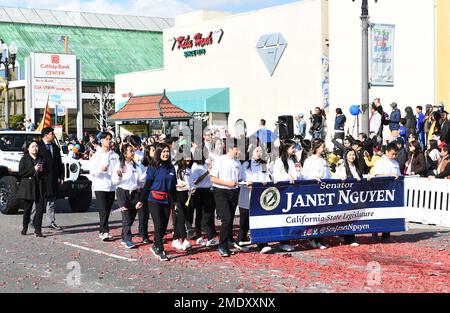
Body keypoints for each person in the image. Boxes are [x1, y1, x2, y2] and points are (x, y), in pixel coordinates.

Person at [137, 143, 177, 261]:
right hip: (153, 199)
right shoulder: (153, 167)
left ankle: (155, 244)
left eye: (167, 152)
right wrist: (141, 200)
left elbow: (173, 186)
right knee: (158, 224)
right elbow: (147, 185)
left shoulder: (171, 167)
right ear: (158, 153)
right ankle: (160, 249)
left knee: (164, 226)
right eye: (163, 152)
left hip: (166, 199)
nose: (165, 154)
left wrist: (175, 203)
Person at [237, 145, 273, 254]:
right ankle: (240, 241)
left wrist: (265, 183)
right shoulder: (245, 165)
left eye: (260, 151)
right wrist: (247, 183)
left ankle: (262, 244)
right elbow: (241, 179)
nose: (259, 153)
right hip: (246, 197)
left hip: (259, 197)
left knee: (259, 221)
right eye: (257, 151)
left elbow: (267, 178)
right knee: (245, 222)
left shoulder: (263, 164)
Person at [210, 138, 243, 257]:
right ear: (230, 148)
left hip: (234, 192)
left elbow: (240, 178)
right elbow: (213, 178)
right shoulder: (220, 160)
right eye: (237, 148)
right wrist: (227, 183)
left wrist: (245, 182)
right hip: (221, 191)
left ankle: (228, 243)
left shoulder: (238, 162)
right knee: (227, 219)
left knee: (231, 218)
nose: (239, 151)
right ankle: (222, 246)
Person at [112, 144, 145, 249]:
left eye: (133, 151)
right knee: (126, 216)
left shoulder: (136, 166)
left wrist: (141, 186)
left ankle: (123, 235)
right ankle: (128, 239)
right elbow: (115, 181)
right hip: (123, 192)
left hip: (134, 193)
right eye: (130, 151)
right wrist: (119, 176)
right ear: (125, 153)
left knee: (131, 216)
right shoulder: (120, 165)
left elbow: (140, 180)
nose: (132, 153)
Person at [302, 138, 331, 249]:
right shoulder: (309, 160)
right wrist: (314, 179)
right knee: (314, 217)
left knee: (323, 217)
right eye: (322, 147)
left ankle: (320, 239)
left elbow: (328, 175)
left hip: (323, 192)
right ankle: (311, 237)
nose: (324, 149)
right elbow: (305, 176)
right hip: (313, 191)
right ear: (317, 148)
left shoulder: (324, 161)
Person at [90, 132, 120, 241]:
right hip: (100, 186)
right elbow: (92, 171)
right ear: (101, 141)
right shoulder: (96, 155)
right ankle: (104, 231)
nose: (108, 141)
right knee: (103, 209)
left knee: (107, 209)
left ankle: (103, 230)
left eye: (110, 139)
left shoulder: (115, 156)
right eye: (106, 139)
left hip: (111, 186)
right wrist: (100, 170)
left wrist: (119, 174)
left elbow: (117, 171)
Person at [371, 142, 401, 242]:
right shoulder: (380, 162)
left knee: (389, 213)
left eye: (395, 154)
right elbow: (376, 175)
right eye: (392, 154)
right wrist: (389, 175)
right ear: (387, 152)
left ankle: (386, 235)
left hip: (392, 192)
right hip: (381, 191)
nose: (394, 156)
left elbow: (399, 176)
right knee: (378, 213)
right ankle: (374, 234)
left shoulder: (395, 163)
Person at [37, 127, 64, 231]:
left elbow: (59, 163)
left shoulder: (55, 147)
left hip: (52, 179)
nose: (54, 135)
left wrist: (61, 176)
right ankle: (32, 220)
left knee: (51, 201)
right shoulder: (37, 146)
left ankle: (51, 222)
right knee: (38, 202)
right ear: (46, 135)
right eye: (52, 133)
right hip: (41, 178)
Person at [17, 140, 46, 237]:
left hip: (39, 186)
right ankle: (25, 227)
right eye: (33, 146)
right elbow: (21, 173)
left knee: (40, 209)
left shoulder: (41, 158)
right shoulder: (24, 159)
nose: (35, 148)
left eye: (36, 146)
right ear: (28, 148)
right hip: (28, 187)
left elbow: (47, 171)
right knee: (27, 209)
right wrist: (33, 169)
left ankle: (38, 230)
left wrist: (42, 170)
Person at [190, 148, 218, 248]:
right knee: (200, 214)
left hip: (208, 190)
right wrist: (207, 172)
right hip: (199, 191)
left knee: (208, 214)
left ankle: (209, 236)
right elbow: (195, 181)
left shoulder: (206, 164)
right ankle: (200, 235)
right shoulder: (195, 166)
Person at [335, 148, 362, 246]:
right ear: (346, 156)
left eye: (353, 155)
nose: (352, 157)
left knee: (353, 217)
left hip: (355, 196)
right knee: (346, 217)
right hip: (344, 196)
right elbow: (337, 177)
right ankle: (347, 238)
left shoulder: (356, 167)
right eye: (350, 155)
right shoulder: (342, 167)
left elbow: (359, 178)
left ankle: (350, 237)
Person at [171, 151, 194, 251]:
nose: (188, 160)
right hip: (177, 195)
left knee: (183, 217)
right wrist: (177, 185)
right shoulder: (175, 168)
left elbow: (191, 182)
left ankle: (175, 239)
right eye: (186, 158)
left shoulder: (189, 169)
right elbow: (170, 183)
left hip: (186, 195)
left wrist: (192, 188)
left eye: (190, 158)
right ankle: (184, 239)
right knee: (180, 217)